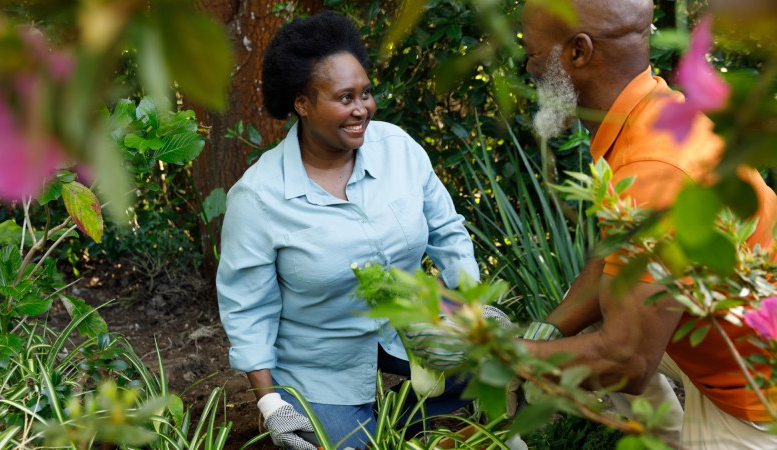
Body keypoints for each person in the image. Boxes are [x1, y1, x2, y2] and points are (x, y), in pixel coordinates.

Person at [517, 0, 777, 448]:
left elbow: (626, 361)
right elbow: (613, 264)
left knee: (615, 345)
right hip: (721, 333)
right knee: (598, 322)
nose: (529, 68)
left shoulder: (653, 168)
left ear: (578, 52)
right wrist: (550, 332)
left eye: (534, 53)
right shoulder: (651, 110)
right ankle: (667, 437)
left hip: (754, 397)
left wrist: (508, 357)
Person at [216, 11, 480, 450]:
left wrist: (473, 305)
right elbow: (247, 309)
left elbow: (448, 233)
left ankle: (412, 419)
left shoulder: (398, 149)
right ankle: (358, 424)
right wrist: (270, 405)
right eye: (344, 98)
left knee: (496, 360)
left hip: (411, 326)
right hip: (321, 360)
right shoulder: (259, 197)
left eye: (366, 93)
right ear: (302, 104)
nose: (362, 109)